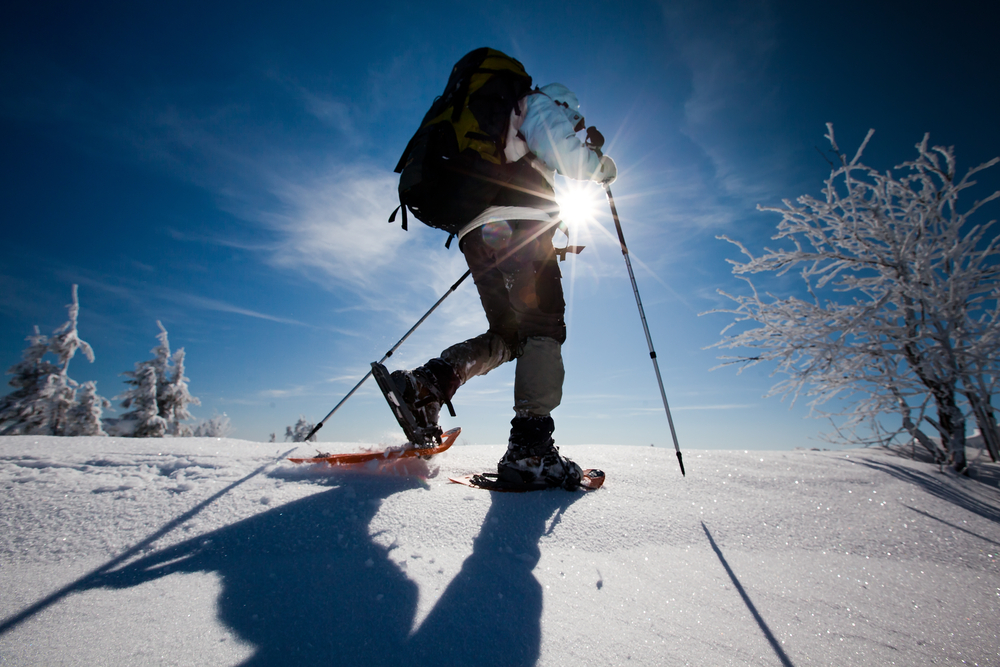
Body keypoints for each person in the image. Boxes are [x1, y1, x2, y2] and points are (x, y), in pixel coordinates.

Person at [386, 82, 616, 489]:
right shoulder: (537, 104)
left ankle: (427, 386)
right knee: (543, 327)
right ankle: (531, 449)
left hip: (477, 234)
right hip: (519, 227)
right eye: (573, 120)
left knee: (509, 335)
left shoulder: (499, 121)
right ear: (566, 106)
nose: (574, 126)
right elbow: (567, 155)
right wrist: (600, 165)